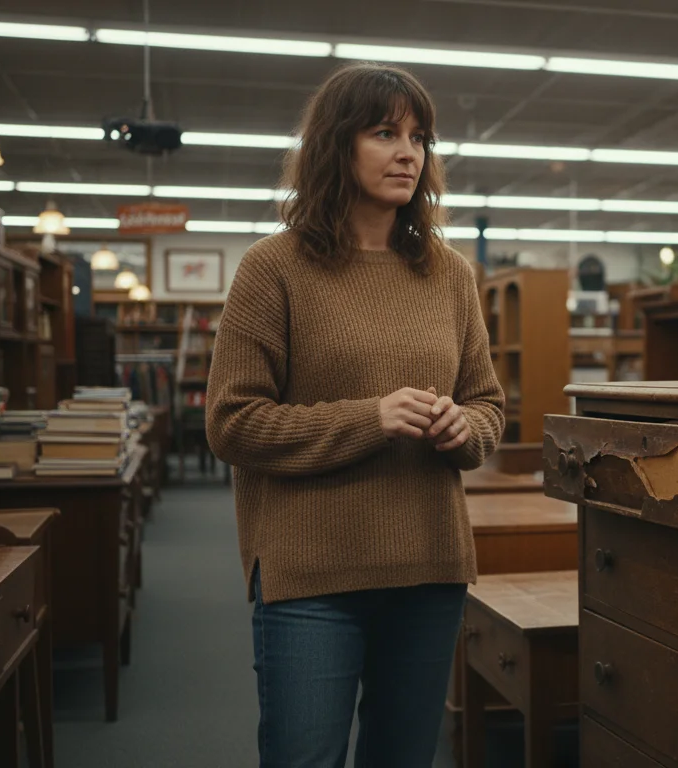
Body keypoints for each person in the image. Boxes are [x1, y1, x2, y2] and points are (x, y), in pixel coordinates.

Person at [206, 63, 505, 768]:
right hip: (311, 575)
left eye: (419, 137)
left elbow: (489, 404)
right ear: (336, 146)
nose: (409, 153)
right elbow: (232, 421)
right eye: (384, 133)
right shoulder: (272, 268)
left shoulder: (450, 273)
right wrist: (370, 419)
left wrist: (468, 429)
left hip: (429, 570)